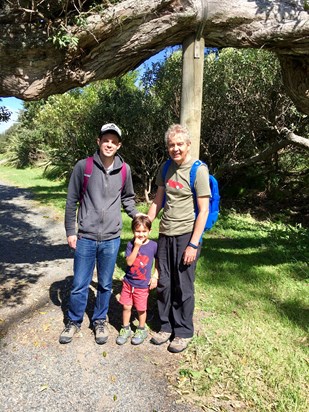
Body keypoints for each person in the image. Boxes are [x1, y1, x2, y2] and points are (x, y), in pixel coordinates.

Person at [59, 123, 139, 345]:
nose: (109, 144)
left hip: (111, 238)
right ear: (98, 141)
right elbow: (71, 201)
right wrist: (70, 231)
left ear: (119, 145)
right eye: (106, 140)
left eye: (114, 141)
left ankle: (99, 320)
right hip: (85, 236)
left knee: (105, 284)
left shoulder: (125, 170)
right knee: (79, 283)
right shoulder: (83, 166)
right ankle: (74, 321)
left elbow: (128, 198)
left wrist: (137, 216)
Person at [147, 124, 210, 353]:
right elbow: (158, 200)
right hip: (165, 232)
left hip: (186, 234)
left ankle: (183, 331)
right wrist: (146, 223)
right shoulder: (165, 168)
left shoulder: (198, 170)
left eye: (179, 144)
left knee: (183, 285)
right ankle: (165, 326)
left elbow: (203, 210)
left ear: (188, 145)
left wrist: (194, 243)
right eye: (171, 145)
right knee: (164, 282)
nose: (175, 148)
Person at [116, 215, 158, 346]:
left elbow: (158, 262)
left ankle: (141, 329)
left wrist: (155, 276)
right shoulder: (130, 244)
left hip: (142, 285)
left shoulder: (153, 245)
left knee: (141, 308)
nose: (141, 234)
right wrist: (136, 247)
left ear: (149, 231)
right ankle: (125, 328)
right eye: (138, 231)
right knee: (126, 306)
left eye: (144, 231)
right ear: (133, 231)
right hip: (128, 283)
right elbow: (129, 262)